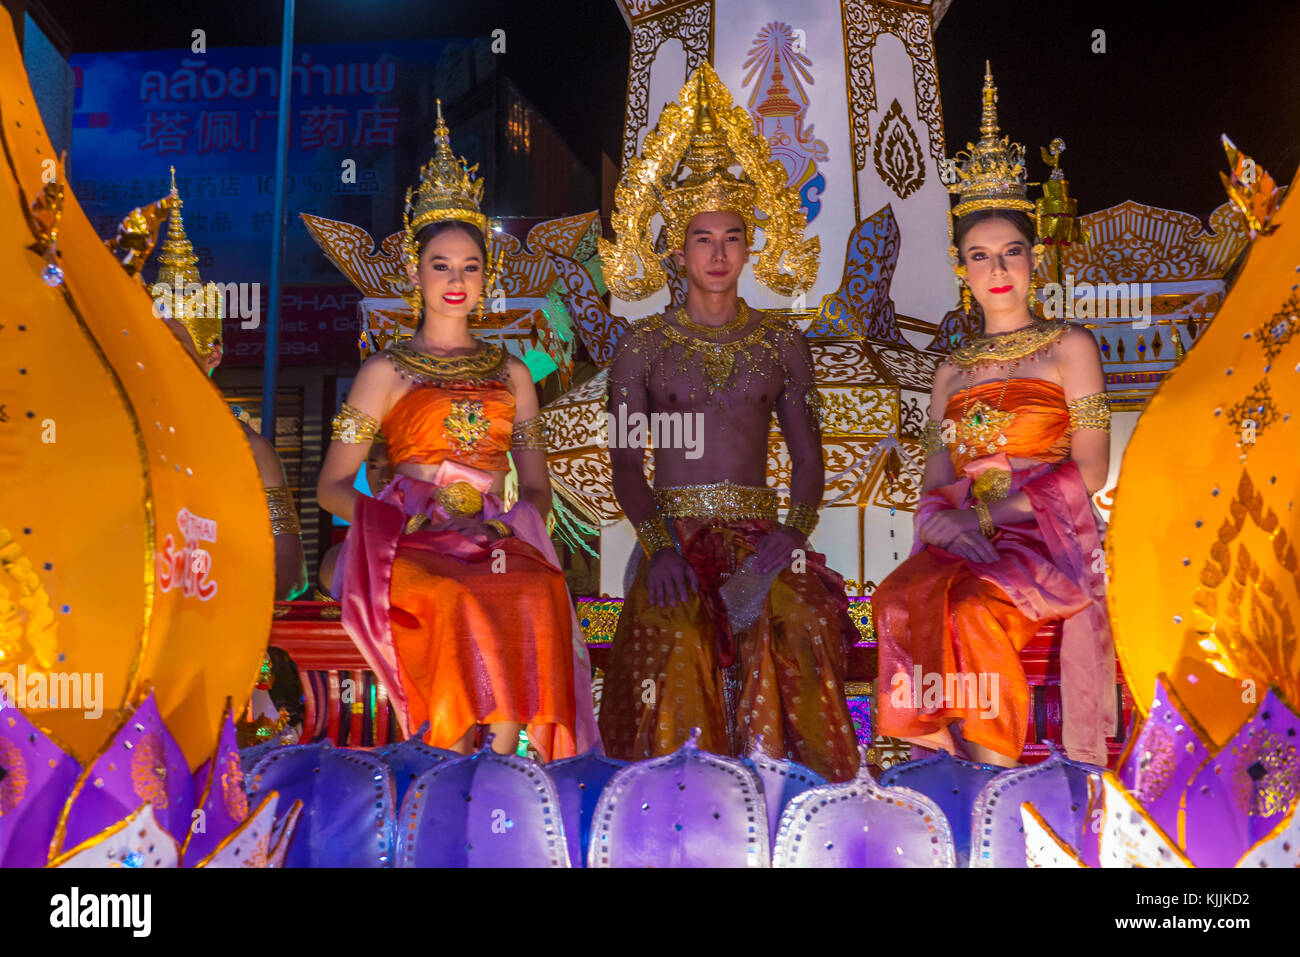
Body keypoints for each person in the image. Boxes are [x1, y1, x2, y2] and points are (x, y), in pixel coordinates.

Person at [593, 64, 860, 782]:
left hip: (760, 535)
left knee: (800, 621)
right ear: (677, 251)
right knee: (678, 639)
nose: (717, 252)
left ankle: (796, 795)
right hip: (673, 535)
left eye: (732, 237)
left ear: (749, 247)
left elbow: (809, 459)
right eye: (702, 238)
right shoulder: (643, 347)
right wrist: (659, 549)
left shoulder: (780, 342)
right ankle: (685, 804)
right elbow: (626, 464)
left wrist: (787, 540)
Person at [315, 102, 598, 759]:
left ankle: (502, 753)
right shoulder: (384, 370)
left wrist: (503, 525)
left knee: (538, 584)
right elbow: (331, 485)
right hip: (410, 539)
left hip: (491, 532)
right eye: (441, 265)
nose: (455, 280)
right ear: (416, 274)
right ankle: (448, 745)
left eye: (469, 266)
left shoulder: (513, 373)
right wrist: (400, 522)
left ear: (485, 278)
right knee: (449, 591)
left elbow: (536, 487)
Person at [873, 65, 1116, 768]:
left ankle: (994, 777)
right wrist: (941, 521)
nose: (998, 267)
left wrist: (986, 517)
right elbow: (934, 474)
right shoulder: (951, 368)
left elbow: (1091, 466)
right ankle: (936, 759)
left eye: (1011, 250)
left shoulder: (1070, 345)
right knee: (896, 600)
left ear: (1034, 258)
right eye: (980, 255)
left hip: (1046, 534)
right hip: (966, 536)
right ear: (962, 269)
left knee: (975, 610)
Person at [152, 173, 309, 603]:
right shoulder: (120, 435)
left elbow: (288, 571)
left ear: (213, 354)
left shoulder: (250, 452)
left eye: (177, 348)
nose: (162, 361)